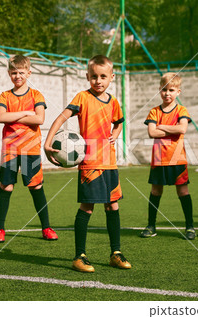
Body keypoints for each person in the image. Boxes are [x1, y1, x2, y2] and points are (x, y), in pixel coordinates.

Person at [44, 55, 131, 273]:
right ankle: (79, 256)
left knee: (113, 205)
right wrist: (48, 141)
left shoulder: (113, 101)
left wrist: (116, 134)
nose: (98, 80)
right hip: (90, 164)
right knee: (88, 207)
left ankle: (115, 253)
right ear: (87, 77)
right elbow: (61, 118)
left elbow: (120, 122)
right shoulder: (82, 98)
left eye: (103, 76)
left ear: (112, 77)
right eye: (94, 76)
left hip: (109, 163)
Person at [0, 55, 58, 243]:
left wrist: (14, 116)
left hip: (30, 149)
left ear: (29, 73)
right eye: (14, 73)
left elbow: (39, 119)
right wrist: (26, 113)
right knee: (6, 186)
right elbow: (1, 117)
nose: (17, 76)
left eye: (21, 72)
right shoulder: (5, 95)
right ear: (8, 74)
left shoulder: (36, 95)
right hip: (10, 150)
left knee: (36, 186)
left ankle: (46, 227)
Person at [141, 73, 195, 240]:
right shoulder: (154, 111)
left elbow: (182, 129)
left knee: (183, 191)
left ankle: (190, 227)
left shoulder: (181, 110)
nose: (167, 93)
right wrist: (173, 127)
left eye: (171, 90)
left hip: (177, 159)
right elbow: (151, 132)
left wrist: (162, 126)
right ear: (159, 90)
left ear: (178, 91)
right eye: (164, 89)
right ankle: (151, 225)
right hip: (159, 159)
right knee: (155, 191)